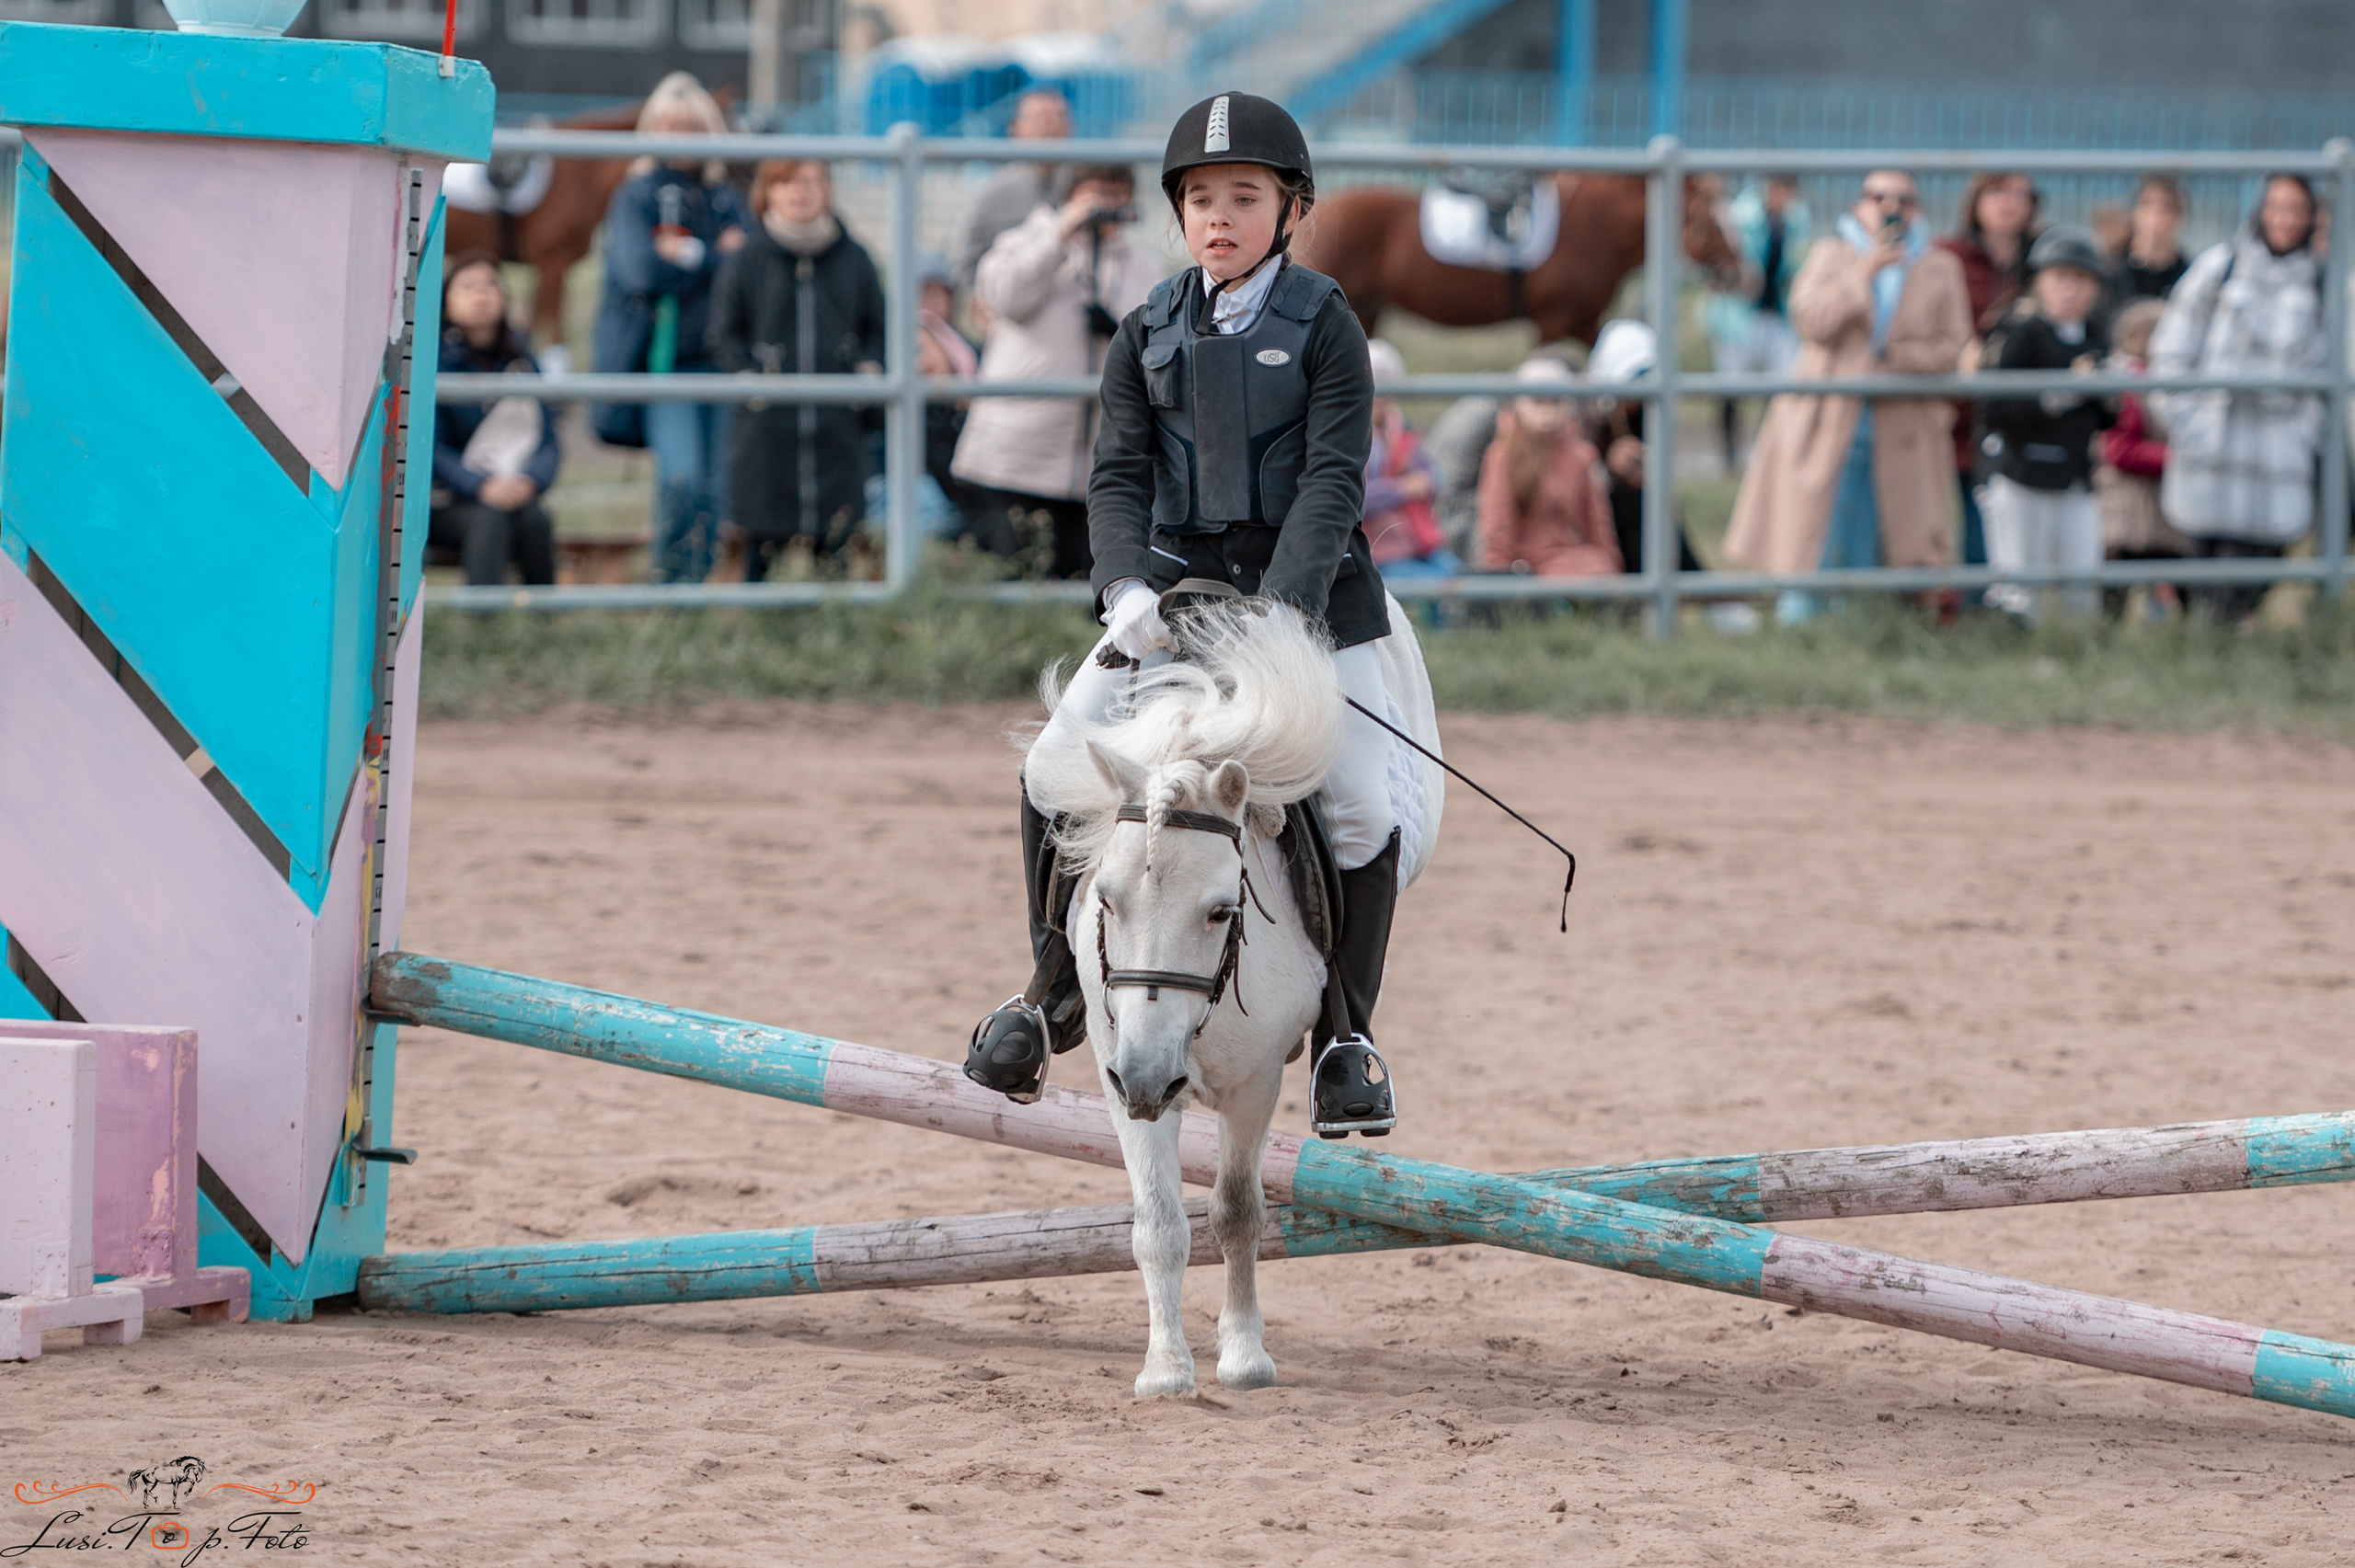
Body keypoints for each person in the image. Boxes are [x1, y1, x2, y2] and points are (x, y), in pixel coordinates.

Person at [963, 91, 1400, 1139]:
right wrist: (1123, 590)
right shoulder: (1148, 325)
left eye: (1243, 197)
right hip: (1169, 593)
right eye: (1200, 199)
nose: (1219, 217)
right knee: (1046, 767)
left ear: (1290, 207)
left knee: (1360, 811)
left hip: (1311, 599)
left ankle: (1346, 1035)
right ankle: (1047, 992)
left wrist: (1281, 616)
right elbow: (1113, 474)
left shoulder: (1328, 324)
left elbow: (1333, 480)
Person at [1725, 168, 1973, 624]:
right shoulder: (1831, 254)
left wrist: (1891, 362)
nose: (1890, 208)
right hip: (1826, 415)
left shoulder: (1939, 267)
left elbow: (1951, 347)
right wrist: (1863, 273)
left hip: (1902, 423)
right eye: (1877, 197)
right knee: (1811, 526)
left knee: (1885, 528)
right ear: (1859, 204)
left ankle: (1861, 619)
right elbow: (1811, 320)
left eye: (1903, 199)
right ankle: (1798, 619)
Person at [951, 163, 1162, 580]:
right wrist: (1059, 234)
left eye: (1118, 194)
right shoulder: (1023, 242)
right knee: (1015, 580)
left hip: (1095, 462)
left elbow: (1157, 344)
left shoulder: (1142, 265)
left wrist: (1119, 328)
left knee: (1084, 587)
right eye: (1097, 193)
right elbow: (1002, 296)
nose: (1108, 205)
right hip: (1016, 458)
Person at [592, 73, 750, 583]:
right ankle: (671, 588)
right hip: (666, 362)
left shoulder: (726, 196)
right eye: (669, 125)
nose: (680, 135)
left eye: (691, 125)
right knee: (680, 480)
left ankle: (696, 593)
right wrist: (712, 257)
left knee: (716, 490)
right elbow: (641, 270)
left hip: (721, 361)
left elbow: (749, 268)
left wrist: (685, 255)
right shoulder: (636, 195)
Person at [2149, 173, 2327, 624]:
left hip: (2278, 453)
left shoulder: (2322, 284)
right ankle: (2209, 653)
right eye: (2277, 207)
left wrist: (2305, 433)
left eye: (2297, 209)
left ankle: (2232, 641)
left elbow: (2328, 371)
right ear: (2260, 211)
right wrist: (2185, 419)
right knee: (2204, 564)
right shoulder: (2219, 267)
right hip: (2211, 443)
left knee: (2258, 563)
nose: (2286, 220)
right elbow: (2172, 349)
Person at [706, 158, 886, 579]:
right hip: (766, 433)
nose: (798, 191)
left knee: (835, 556)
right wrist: (748, 378)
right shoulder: (747, 259)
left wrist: (867, 372)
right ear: (767, 193)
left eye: (809, 181)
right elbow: (723, 333)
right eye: (785, 182)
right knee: (760, 554)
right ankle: (757, 639)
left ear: (827, 189)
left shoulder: (855, 258)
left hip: (837, 432)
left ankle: (831, 637)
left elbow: (877, 327)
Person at [1977, 226, 2115, 621]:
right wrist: (2061, 394)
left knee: (2081, 585)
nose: (2070, 290)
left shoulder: (2096, 336)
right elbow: (1995, 410)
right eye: (2060, 277)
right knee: (2020, 588)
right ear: (2038, 282)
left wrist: (2107, 391)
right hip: (2021, 475)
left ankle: (2074, 655)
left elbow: (2108, 417)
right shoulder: (2019, 332)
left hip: (2073, 477)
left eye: (2081, 280)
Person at [431, 253, 560, 587]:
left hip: (513, 487)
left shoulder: (522, 360)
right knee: (488, 519)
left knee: (535, 519)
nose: (482, 294)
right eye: (468, 287)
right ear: (446, 303)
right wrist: (480, 486)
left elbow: (548, 439)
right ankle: (482, 624)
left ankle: (543, 621)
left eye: (490, 284)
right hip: (446, 500)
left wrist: (530, 481)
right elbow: (431, 448)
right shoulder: (434, 363)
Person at [1939, 171, 2040, 567]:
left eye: (2020, 192)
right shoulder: (1948, 256)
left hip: (2016, 418)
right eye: (1997, 190)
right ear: (1976, 200)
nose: (2008, 202)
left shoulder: (2042, 262)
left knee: (2002, 525)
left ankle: (1994, 609)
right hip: (1956, 413)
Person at [1476, 357, 1621, 578]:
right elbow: (1498, 526)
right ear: (1519, 404)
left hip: (1575, 562)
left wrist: (1612, 568)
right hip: (1528, 569)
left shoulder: (1582, 455)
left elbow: (1598, 523)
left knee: (1600, 573)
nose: (1547, 412)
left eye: (1556, 401)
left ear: (1569, 405)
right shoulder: (1503, 455)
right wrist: (1500, 582)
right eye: (1537, 401)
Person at [1582, 320, 1704, 578]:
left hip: (1634, 513)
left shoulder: (1650, 412)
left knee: (1651, 503)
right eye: (1634, 377)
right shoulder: (1588, 414)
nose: (1639, 388)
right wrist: (1608, 469)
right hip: (1591, 518)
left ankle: (1695, 583)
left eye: (1646, 376)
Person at [2095, 297, 2189, 618]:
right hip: (2130, 510)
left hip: (2162, 511)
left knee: (2179, 582)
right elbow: (2118, 448)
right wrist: (2175, 458)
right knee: (2118, 588)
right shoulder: (2127, 384)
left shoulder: (2167, 382)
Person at [1704, 174, 1809, 464]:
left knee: (1787, 384)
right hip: (1738, 316)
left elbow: (1797, 260)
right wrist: (1736, 282)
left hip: (1777, 313)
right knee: (1731, 387)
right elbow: (1716, 264)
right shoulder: (1739, 215)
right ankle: (1730, 456)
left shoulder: (1796, 219)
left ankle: (1776, 451)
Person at [956, 88, 1072, 293]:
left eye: (1058, 117)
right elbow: (965, 266)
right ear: (1015, 128)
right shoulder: (994, 191)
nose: (1050, 126)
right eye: (1040, 118)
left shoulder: (1080, 185)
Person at [1361, 338, 1458, 577]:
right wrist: (1403, 490)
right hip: (1376, 545)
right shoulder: (1349, 438)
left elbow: (1435, 475)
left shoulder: (1396, 429)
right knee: (1433, 582)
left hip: (1411, 537)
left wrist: (1423, 481)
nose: (1380, 400)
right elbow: (1354, 497)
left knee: (1454, 571)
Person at [1423, 393, 1500, 565]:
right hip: (1449, 511)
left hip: (1446, 498)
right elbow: (1450, 487)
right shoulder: (1488, 415)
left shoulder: (1477, 405)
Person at [2114, 175, 2189, 306]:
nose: (2157, 212)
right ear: (2133, 212)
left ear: (2180, 216)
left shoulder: (2190, 277)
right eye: (2147, 203)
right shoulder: (2111, 274)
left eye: (2168, 206)